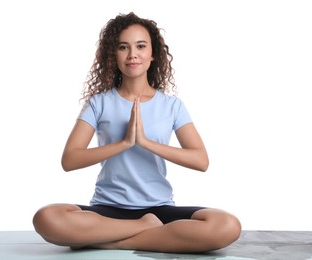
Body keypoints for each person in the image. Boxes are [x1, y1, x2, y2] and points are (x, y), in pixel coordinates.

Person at [33, 12, 241, 253]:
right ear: (115, 55)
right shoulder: (98, 103)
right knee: (47, 217)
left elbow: (201, 160)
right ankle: (145, 230)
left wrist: (145, 142)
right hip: (107, 209)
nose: (132, 54)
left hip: (158, 208)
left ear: (153, 54)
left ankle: (102, 240)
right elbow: (69, 160)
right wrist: (123, 143)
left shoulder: (172, 106)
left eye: (140, 46)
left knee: (226, 225)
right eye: (124, 47)